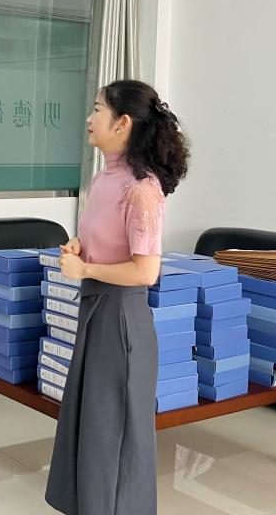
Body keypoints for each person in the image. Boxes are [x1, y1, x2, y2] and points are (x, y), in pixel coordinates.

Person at [45, 79, 190, 515]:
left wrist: (86, 269)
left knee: (115, 434)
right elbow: (108, 241)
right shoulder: (103, 179)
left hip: (122, 321)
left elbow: (146, 271)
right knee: (91, 425)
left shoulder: (141, 190)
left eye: (97, 110)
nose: (89, 119)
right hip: (97, 312)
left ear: (122, 122)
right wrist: (80, 247)